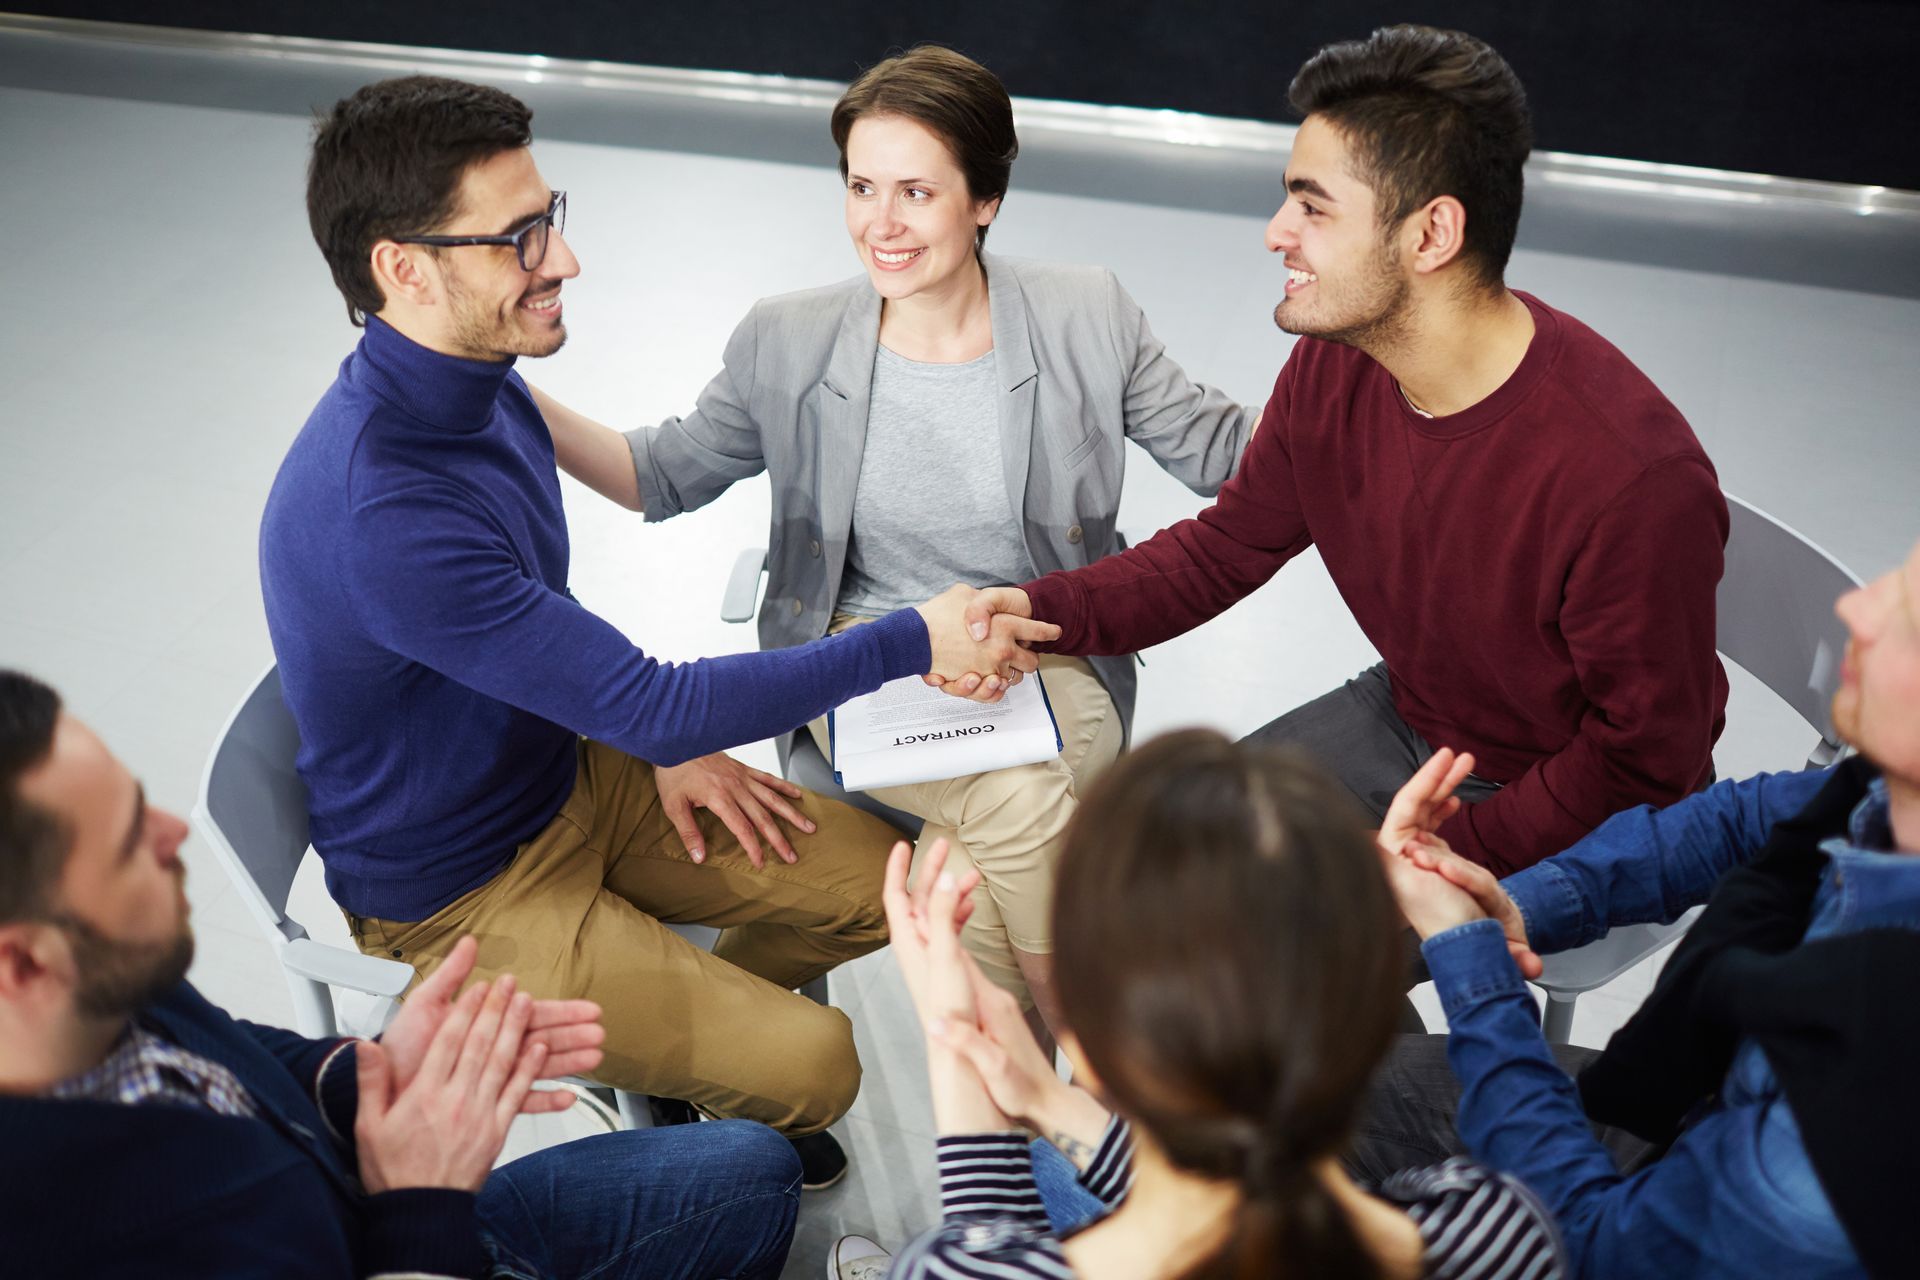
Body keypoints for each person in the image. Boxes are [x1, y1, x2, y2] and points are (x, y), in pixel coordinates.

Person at [262, 74, 1054, 1184]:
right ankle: (721, 1060)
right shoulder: (381, 510)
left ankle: (701, 1014)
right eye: (521, 237)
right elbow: (652, 693)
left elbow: (546, 628)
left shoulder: (482, 386)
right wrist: (911, 638)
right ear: (405, 267)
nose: (563, 259)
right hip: (464, 893)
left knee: (896, 879)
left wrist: (655, 741)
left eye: (554, 216)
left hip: (569, 772)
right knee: (823, 1063)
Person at [534, 44, 1257, 1037]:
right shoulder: (787, 338)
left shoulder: (1085, 312)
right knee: (1018, 814)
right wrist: (514, 397)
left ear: (985, 198)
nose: (881, 223)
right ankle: (1094, 1062)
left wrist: (1370, 387)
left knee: (977, 853)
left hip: (1042, 644)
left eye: (916, 191)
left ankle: (993, 1106)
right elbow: (661, 473)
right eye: (862, 186)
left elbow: (1225, 452)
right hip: (860, 654)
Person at [949, 25, 1729, 878]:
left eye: (1314, 207)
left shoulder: (1632, 482)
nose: (1277, 232)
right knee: (1149, 868)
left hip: (1581, 805)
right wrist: (1026, 611)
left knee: (1240, 951)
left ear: (1431, 235)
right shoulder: (1339, 364)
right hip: (1420, 720)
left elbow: (1645, 760)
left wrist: (1421, 860)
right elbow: (1225, 551)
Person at [0, 669, 804, 1279]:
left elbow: (234, 1056)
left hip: (412, 1215)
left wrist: (367, 1069)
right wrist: (420, 1207)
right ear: (24, 961)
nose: (175, 831)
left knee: (761, 1170)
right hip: (412, 1239)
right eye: (128, 840)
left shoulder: (107, 980)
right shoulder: (77, 1228)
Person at [1357, 535, 1920, 1279]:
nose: (1858, 607)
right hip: (1692, 1115)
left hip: (1657, 1222)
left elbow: (1592, 1250)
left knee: (1311, 1116)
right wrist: (1516, 907)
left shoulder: (1847, 1143)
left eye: (1910, 620)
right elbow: (1738, 822)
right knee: (1340, 1080)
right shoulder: (1878, 802)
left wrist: (1470, 960)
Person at [836, 732, 1565, 1279]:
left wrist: (955, 1044)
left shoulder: (954, 1270)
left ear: (1082, 1044)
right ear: (1375, 1031)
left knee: (1049, 1171)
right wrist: (1458, 936)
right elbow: (1521, 1132)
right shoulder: (1500, 1232)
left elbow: (986, 1250)